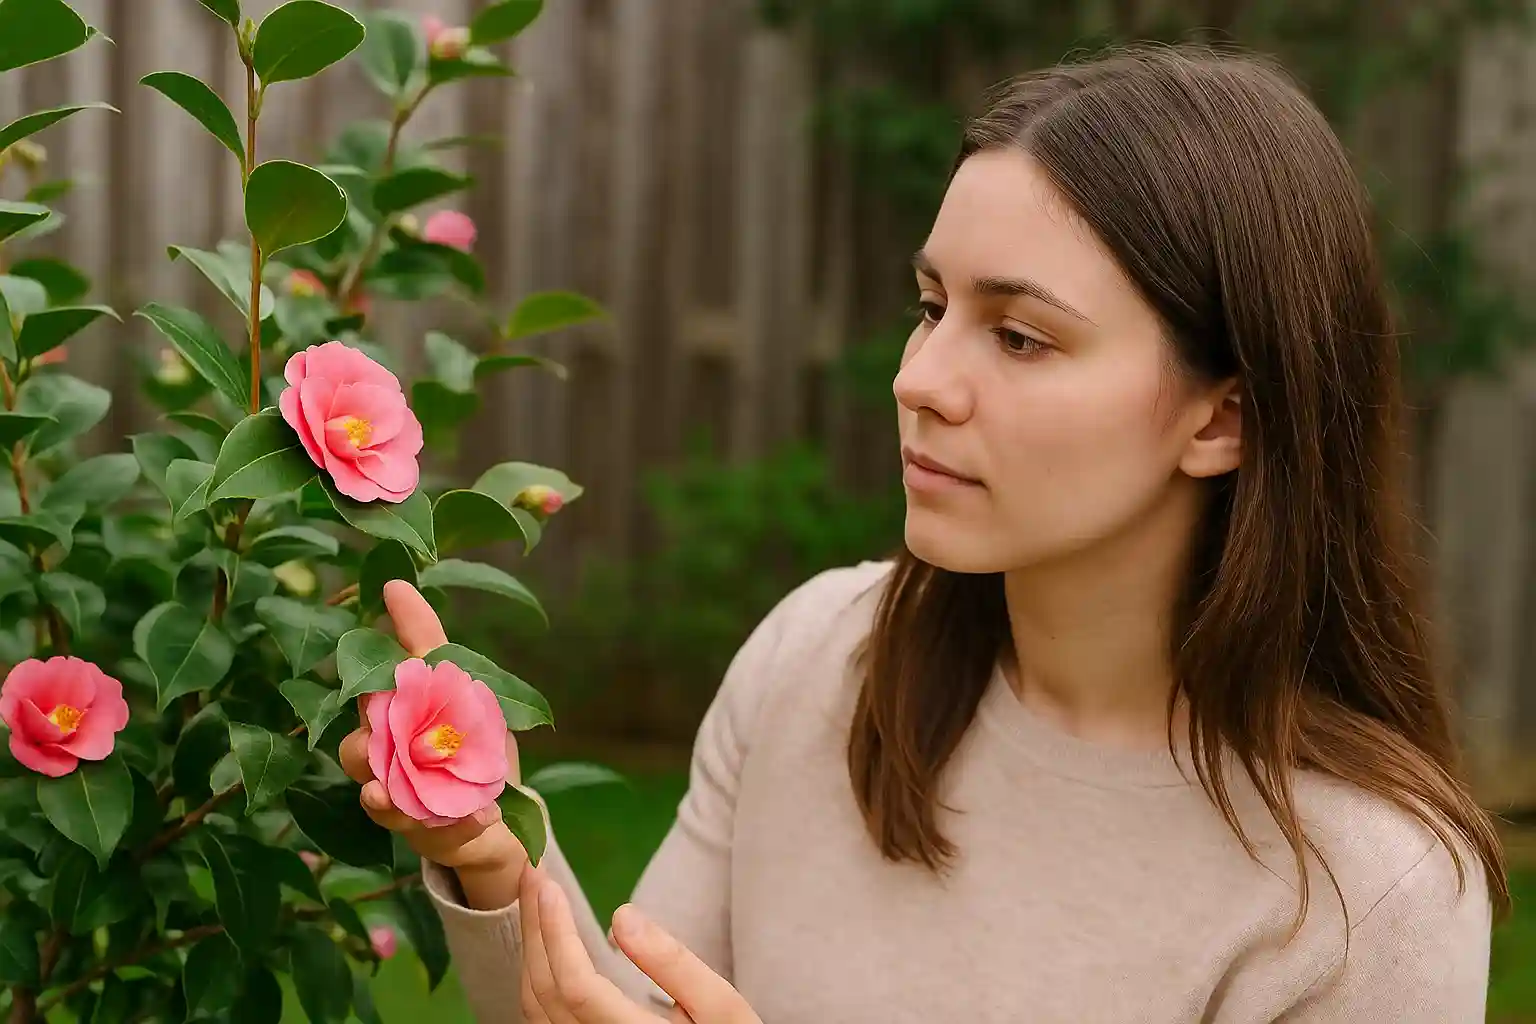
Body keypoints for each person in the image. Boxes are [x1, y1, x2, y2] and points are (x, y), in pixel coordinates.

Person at [339, 42, 1508, 1023]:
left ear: (1225, 416)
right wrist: (492, 870)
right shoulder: (820, 658)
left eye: (1020, 336)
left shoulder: (1374, 891)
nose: (920, 378)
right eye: (934, 306)